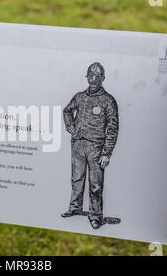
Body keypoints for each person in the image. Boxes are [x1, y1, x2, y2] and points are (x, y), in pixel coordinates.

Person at [61, 62, 119, 229]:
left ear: (103, 78)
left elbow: (112, 128)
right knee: (76, 178)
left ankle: (95, 215)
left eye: (97, 76)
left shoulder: (108, 101)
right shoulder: (79, 97)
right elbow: (67, 111)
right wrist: (69, 124)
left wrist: (107, 153)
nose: (93, 79)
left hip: (96, 147)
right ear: (87, 77)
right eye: (91, 75)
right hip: (78, 143)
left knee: (96, 184)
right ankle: (75, 208)